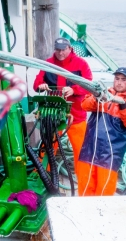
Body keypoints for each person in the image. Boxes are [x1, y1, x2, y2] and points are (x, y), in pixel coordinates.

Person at [33, 38, 93, 184]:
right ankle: (41, 175)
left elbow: (89, 85)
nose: (60, 53)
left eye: (63, 49)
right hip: (52, 115)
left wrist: (74, 89)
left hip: (76, 115)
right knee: (47, 145)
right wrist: (41, 86)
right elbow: (36, 84)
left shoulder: (82, 64)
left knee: (82, 150)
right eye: (57, 49)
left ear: (69, 48)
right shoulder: (47, 63)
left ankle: (84, 179)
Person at [78, 67, 126, 196]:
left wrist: (123, 105)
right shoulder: (103, 93)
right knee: (85, 186)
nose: (119, 82)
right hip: (89, 149)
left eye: (123, 80)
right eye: (117, 79)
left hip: (110, 156)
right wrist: (97, 97)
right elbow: (84, 105)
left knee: (105, 190)